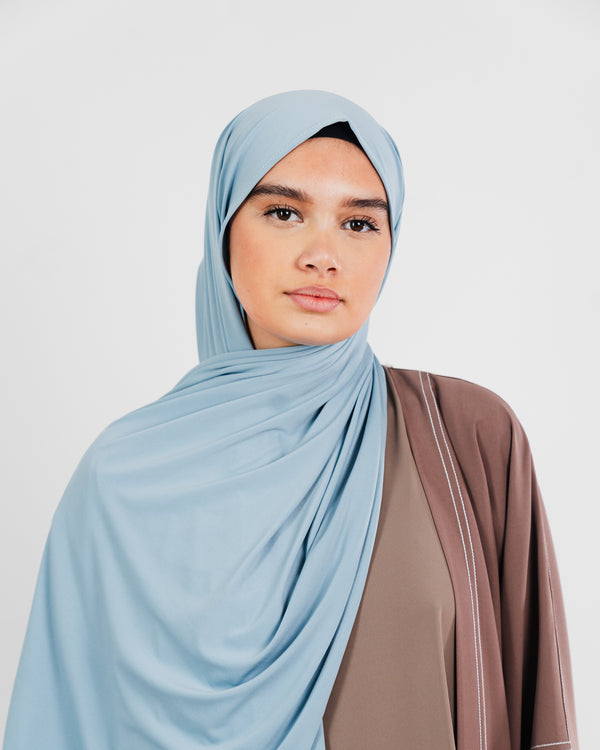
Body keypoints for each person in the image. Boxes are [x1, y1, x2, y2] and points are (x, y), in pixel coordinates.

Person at [2, 90, 578, 750]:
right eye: (284, 212)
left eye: (359, 223)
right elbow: (64, 723)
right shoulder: (122, 479)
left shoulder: (467, 439)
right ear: (223, 229)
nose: (322, 255)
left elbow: (541, 709)